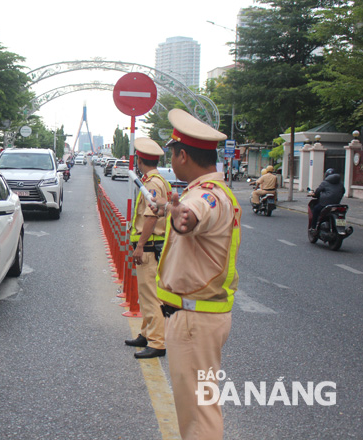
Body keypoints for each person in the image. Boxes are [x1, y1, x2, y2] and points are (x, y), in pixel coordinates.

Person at [153, 108, 241, 440]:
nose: (172, 159)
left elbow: (192, 215)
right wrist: (171, 210)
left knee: (199, 413)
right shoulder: (211, 191)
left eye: (173, 153)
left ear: (183, 155)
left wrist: (181, 217)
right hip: (198, 317)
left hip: (195, 320)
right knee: (197, 406)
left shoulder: (206, 195)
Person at [125, 137, 171, 359]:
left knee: (151, 297)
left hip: (150, 247)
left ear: (140, 161)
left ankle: (157, 343)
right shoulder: (158, 180)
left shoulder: (151, 184)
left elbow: (151, 216)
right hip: (153, 246)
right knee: (146, 294)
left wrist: (140, 245)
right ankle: (146, 333)